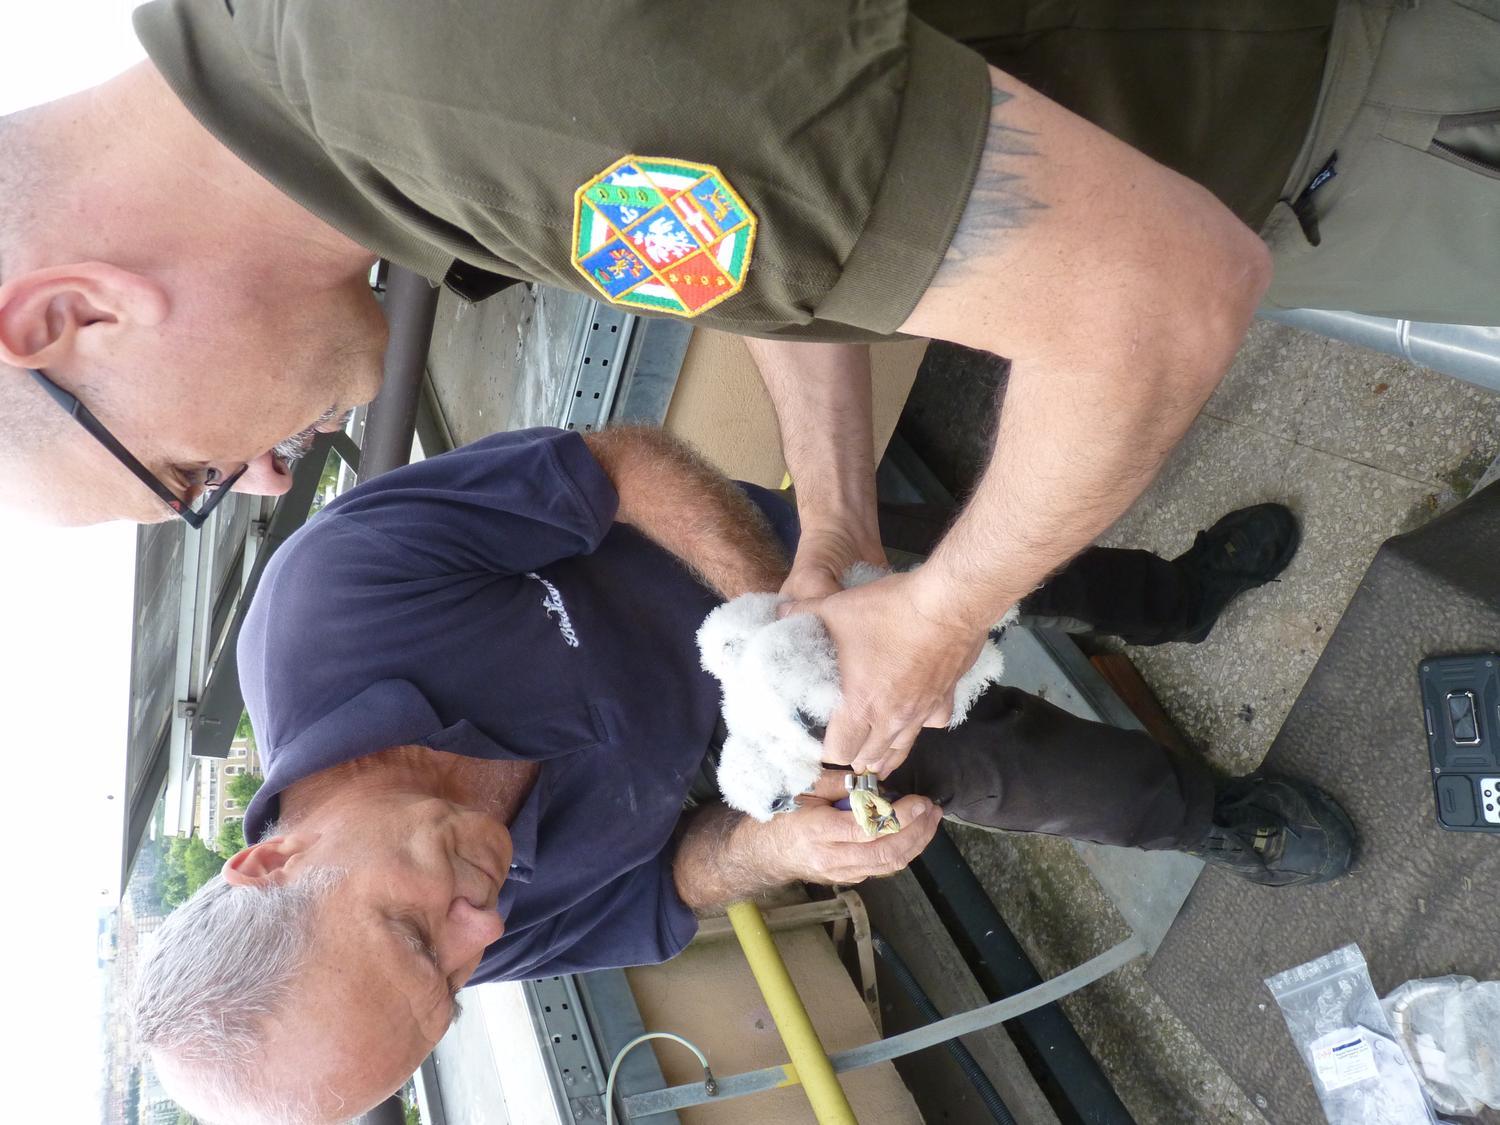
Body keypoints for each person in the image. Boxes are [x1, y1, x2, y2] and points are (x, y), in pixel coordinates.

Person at [5, 4, 1492, 780]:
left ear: (69, 314)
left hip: (1330, 96)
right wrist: (835, 526)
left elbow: (1161, 296)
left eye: (182, 478)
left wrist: (943, 614)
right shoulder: (355, 90)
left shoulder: (464, 111)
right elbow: (778, 226)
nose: (256, 484)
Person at [131, 428, 1353, 1124]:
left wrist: (784, 630)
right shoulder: (457, 943)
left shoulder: (328, 604)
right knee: (1020, 773)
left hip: (773, 575)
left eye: (416, 934)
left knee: (1012, 570)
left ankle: (1172, 597)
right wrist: (784, 852)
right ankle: (1211, 816)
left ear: (269, 858)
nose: (484, 930)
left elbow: (616, 466)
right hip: (778, 760)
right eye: (456, 979)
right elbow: (670, 885)